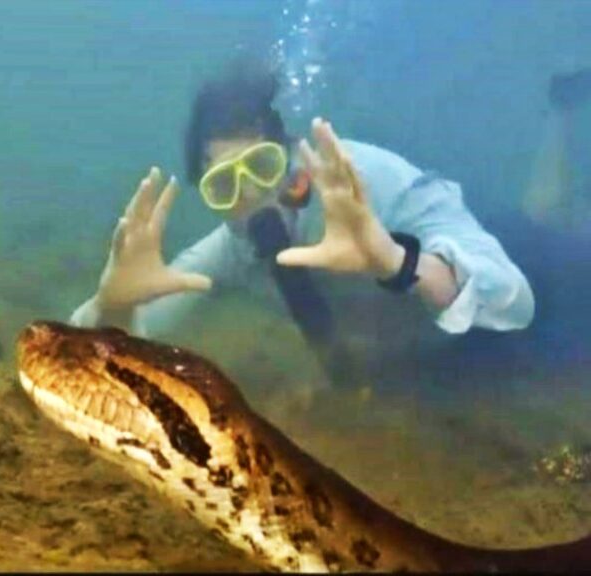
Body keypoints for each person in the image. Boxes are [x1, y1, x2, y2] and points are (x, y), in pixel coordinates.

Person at [68, 63, 535, 375]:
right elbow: (95, 341)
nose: (252, 196)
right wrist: (113, 307)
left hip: (505, 327)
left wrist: (399, 262)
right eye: (224, 186)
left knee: (543, 233)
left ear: (291, 155)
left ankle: (559, 113)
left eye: (262, 166)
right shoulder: (234, 246)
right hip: (415, 370)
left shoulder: (369, 184)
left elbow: (515, 301)